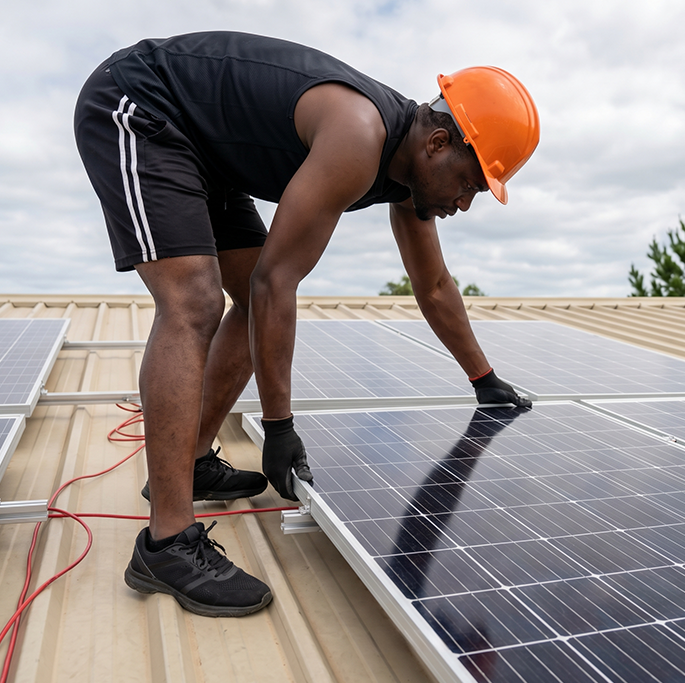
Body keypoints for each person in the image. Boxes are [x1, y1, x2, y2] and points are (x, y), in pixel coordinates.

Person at [73, 31, 539, 618]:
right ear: (439, 143)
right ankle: (166, 543)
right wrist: (279, 427)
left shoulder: (406, 172)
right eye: (471, 183)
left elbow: (435, 286)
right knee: (194, 302)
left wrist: (484, 378)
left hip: (207, 154)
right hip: (142, 104)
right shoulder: (360, 133)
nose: (465, 202)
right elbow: (277, 282)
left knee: (243, 296)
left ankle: (189, 462)